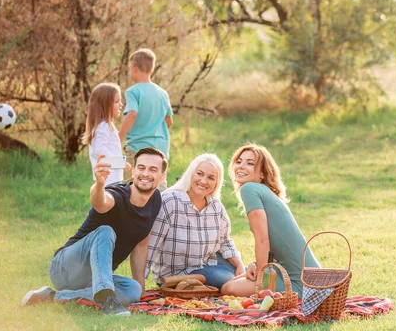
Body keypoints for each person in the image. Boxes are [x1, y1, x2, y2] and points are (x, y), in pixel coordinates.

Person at [20, 147, 167, 316]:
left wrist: (141, 289)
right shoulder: (117, 195)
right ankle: (107, 299)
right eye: (141, 168)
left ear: (162, 176)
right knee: (105, 231)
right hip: (65, 268)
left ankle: (53, 296)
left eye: (153, 169)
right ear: (133, 171)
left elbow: (141, 246)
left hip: (94, 278)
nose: (145, 173)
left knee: (133, 290)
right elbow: (100, 201)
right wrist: (99, 184)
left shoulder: (155, 200)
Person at [221, 143, 320, 296]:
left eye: (250, 163)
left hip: (302, 285)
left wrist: (262, 282)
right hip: (303, 277)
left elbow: (263, 240)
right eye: (239, 161)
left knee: (228, 289)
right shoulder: (264, 191)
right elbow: (276, 243)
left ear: (262, 173)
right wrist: (256, 264)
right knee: (231, 282)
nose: (241, 166)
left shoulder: (250, 189)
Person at [146, 153, 245, 292]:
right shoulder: (170, 201)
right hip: (175, 275)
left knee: (245, 273)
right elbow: (151, 243)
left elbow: (225, 242)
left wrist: (239, 265)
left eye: (211, 178)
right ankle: (237, 286)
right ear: (191, 174)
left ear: (217, 183)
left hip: (205, 266)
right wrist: (140, 282)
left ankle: (242, 284)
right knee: (229, 277)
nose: (204, 181)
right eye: (200, 174)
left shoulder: (216, 207)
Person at [119, 48, 173, 191]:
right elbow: (169, 121)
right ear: (152, 69)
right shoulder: (162, 93)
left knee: (131, 186)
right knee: (158, 185)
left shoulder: (133, 91)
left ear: (134, 68)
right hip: (161, 148)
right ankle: (159, 211)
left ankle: (132, 213)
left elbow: (132, 114)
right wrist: (153, 128)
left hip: (138, 147)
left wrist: (119, 138)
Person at [83, 83, 131, 186]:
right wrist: (120, 162)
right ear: (106, 105)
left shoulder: (107, 125)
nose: (121, 105)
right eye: (117, 102)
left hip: (113, 179)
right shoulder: (103, 127)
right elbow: (100, 151)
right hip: (109, 181)